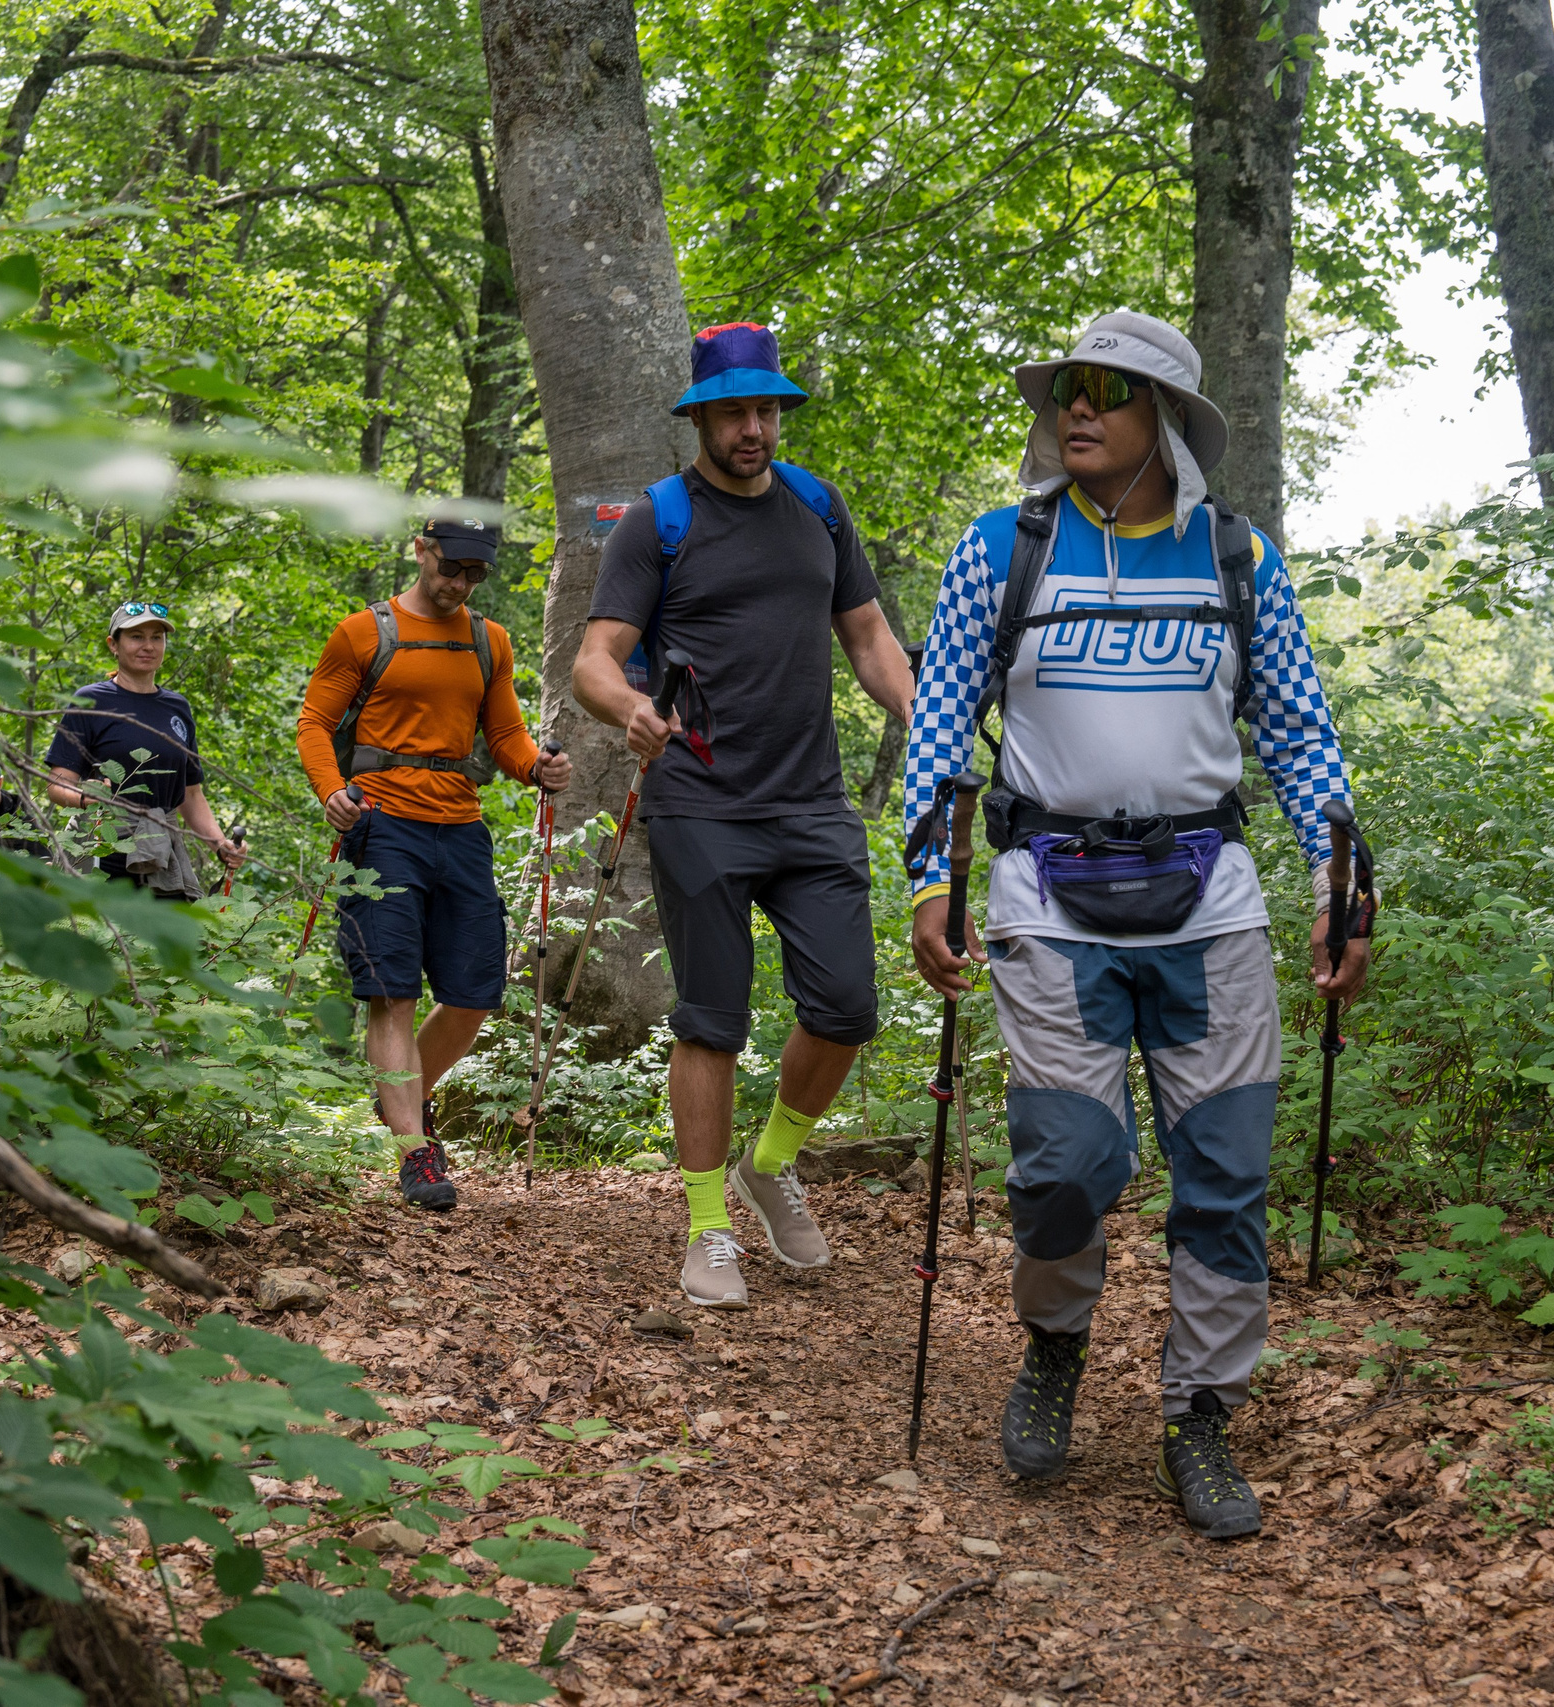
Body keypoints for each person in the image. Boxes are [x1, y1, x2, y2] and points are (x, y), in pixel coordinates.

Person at [902, 310, 1371, 1540]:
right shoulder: (1002, 549)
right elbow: (942, 720)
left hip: (1208, 900)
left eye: (1107, 390)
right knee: (1068, 1162)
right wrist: (925, 878)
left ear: (1162, 412)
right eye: (1065, 388)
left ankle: (1198, 1416)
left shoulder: (1235, 556)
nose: (1076, 407)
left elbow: (1302, 731)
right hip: (1045, 896)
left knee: (1223, 1177)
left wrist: (1341, 885)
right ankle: (1054, 1346)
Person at [573, 322, 915, 1310]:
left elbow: (867, 636)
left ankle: (770, 1165)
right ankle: (706, 1227)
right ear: (701, 421)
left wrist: (922, 718)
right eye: (734, 414)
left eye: (767, 411)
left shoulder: (819, 508)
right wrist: (632, 709)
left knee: (846, 1004)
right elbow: (596, 657)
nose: (754, 429)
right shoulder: (658, 521)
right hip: (701, 802)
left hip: (812, 800)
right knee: (712, 1022)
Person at [296, 508, 573, 1212]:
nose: (460, 583)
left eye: (474, 572)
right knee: (392, 991)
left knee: (474, 993)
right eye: (450, 566)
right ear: (420, 550)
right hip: (382, 824)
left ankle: (400, 1100)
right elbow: (315, 724)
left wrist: (535, 766)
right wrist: (332, 792)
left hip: (462, 825)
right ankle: (414, 1149)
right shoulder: (364, 632)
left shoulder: (490, 640)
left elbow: (505, 732)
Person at [46, 601, 244, 900]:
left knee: (169, 941)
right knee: (101, 938)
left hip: (162, 851)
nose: (148, 645)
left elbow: (190, 794)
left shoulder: (177, 708)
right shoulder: (90, 701)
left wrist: (220, 845)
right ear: (113, 644)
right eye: (136, 637)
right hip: (102, 844)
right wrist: (86, 798)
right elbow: (57, 784)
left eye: (156, 637)